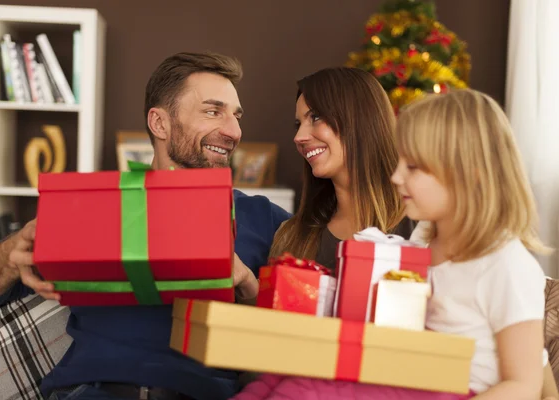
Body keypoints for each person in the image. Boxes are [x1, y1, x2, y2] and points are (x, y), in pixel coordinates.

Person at [0, 52, 291, 400]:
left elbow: (303, 334)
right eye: (213, 111)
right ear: (159, 123)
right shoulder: (96, 205)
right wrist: (11, 253)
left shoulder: (261, 217)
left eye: (236, 116)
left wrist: (248, 283)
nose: (233, 130)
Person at [236, 88, 556, 399]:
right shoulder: (424, 237)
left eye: (413, 167)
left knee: (303, 392)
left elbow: (525, 384)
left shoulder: (505, 263)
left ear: (467, 176)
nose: (396, 176)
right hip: (408, 373)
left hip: (453, 389)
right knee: (279, 377)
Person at [269, 66, 413, 272]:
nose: (299, 137)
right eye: (298, 124)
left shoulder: (419, 223)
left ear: (360, 119)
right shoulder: (292, 236)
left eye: (315, 117)